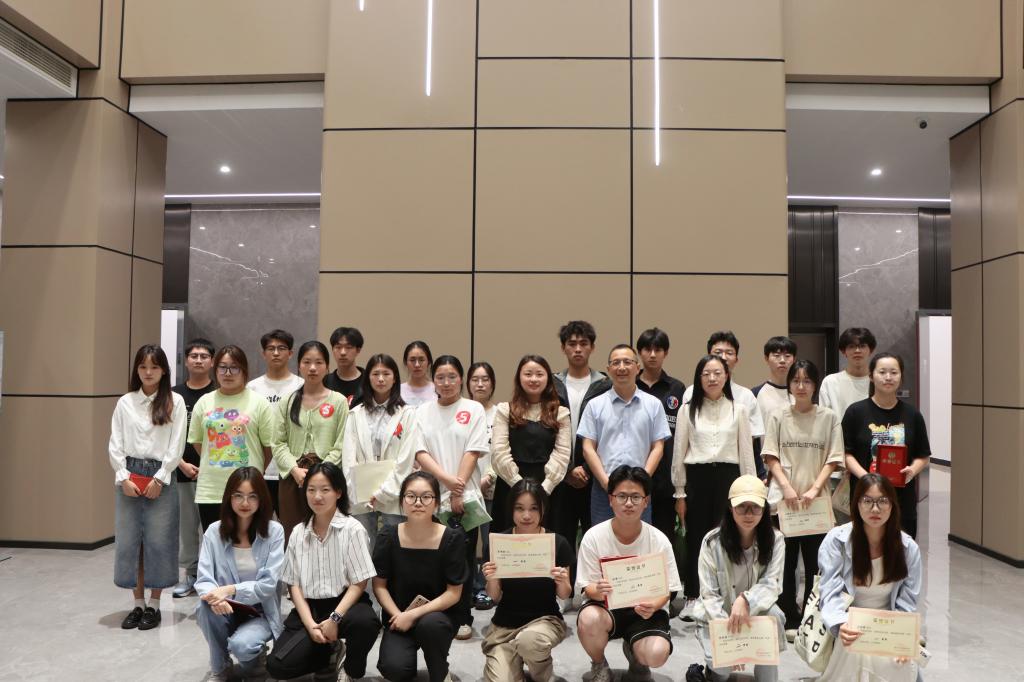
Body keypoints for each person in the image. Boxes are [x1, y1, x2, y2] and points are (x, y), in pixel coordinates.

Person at [267, 462, 381, 682]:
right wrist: (310, 625)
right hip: (311, 607)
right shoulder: (298, 532)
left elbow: (359, 582)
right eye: (311, 490)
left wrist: (335, 618)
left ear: (338, 492)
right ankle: (329, 651)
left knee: (366, 623)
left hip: (346, 605)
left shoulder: (353, 529)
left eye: (325, 490)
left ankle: (351, 670)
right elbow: (294, 585)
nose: (317, 496)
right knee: (277, 667)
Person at [761, 360, 845, 635]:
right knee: (785, 562)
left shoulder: (829, 418)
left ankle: (811, 615)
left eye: (806, 381)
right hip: (785, 504)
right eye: (795, 380)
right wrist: (786, 487)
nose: (800, 386)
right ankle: (788, 614)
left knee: (815, 564)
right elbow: (771, 456)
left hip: (815, 503)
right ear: (789, 385)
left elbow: (833, 459)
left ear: (815, 385)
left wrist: (814, 489)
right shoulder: (778, 416)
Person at [576, 467, 681, 682]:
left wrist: (654, 605)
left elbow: (669, 589)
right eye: (622, 496)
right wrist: (599, 590)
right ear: (610, 500)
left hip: (646, 611)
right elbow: (587, 587)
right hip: (606, 608)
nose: (629, 503)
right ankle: (599, 663)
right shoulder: (594, 537)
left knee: (657, 653)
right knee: (589, 620)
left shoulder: (659, 540)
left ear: (646, 501)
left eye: (636, 497)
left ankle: (637, 656)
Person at [673, 354, 757, 620]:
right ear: (699, 378)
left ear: (727, 376)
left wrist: (751, 490)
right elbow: (679, 452)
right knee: (697, 538)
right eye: (706, 374)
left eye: (717, 373)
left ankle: (726, 597)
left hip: (729, 478)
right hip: (697, 478)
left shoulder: (738, 410)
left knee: (727, 536)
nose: (712, 378)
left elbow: (746, 453)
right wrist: (679, 492)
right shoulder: (687, 410)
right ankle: (693, 596)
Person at [109, 345, 187, 631]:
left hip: (160, 474)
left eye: (154, 366)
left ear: (164, 370)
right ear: (136, 370)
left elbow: (176, 444)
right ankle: (138, 603)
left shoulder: (175, 401)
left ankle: (154, 605)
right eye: (143, 366)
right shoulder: (125, 402)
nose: (148, 372)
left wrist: (161, 477)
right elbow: (115, 442)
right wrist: (123, 476)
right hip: (129, 473)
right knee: (130, 541)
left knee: (159, 541)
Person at [412, 355, 491, 640]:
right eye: (440, 377)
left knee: (463, 558)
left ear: (461, 379)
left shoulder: (473, 409)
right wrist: (445, 482)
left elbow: (473, 450)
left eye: (452, 377)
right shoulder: (422, 412)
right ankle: (434, 614)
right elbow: (420, 451)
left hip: (464, 497)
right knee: (432, 558)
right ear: (433, 381)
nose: (446, 383)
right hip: (430, 497)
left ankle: (462, 617)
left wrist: (456, 490)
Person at [817, 473, 922, 681]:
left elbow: (908, 602)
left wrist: (902, 636)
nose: (875, 509)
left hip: (888, 627)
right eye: (867, 501)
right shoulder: (836, 541)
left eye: (883, 501)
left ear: (892, 506)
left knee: (898, 664)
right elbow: (829, 592)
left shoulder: (908, 548)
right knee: (854, 649)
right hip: (849, 622)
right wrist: (840, 623)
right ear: (856, 504)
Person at [686, 475, 786, 682]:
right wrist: (733, 644)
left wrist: (745, 600)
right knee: (722, 671)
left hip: (755, 611)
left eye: (755, 507)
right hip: (718, 616)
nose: (748, 514)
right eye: (741, 507)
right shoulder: (712, 542)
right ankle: (712, 672)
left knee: (774, 615)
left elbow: (772, 584)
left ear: (764, 509)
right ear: (730, 508)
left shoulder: (776, 540)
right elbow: (709, 595)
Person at [372, 472, 467, 682]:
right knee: (394, 669)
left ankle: (440, 671)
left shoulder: (452, 538)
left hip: (438, 616)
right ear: (402, 502)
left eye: (426, 497)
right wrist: (399, 615)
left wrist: (414, 615)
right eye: (411, 496)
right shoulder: (388, 536)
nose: (418, 502)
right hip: (399, 615)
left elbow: (453, 593)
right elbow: (379, 585)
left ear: (436, 503)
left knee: (431, 626)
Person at [195, 467, 285, 681]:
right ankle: (220, 667)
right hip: (224, 608)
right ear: (229, 497)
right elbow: (204, 578)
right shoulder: (214, 532)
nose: (245, 503)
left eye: (252, 496)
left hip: (260, 611)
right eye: (238, 496)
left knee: (243, 646)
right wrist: (215, 597)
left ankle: (254, 659)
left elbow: (267, 585)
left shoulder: (274, 532)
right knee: (205, 606)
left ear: (262, 499)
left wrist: (228, 590)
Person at [481, 480, 573, 682]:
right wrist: (491, 578)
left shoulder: (557, 543)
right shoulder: (499, 543)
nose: (526, 515)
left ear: (543, 509)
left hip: (545, 620)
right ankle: (515, 661)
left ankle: (542, 673)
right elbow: (494, 596)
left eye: (533, 508)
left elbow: (564, 594)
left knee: (529, 642)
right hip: (505, 625)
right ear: (511, 510)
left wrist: (562, 580)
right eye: (519, 508)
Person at [187, 345, 279, 530]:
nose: (228, 373)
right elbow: (198, 442)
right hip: (211, 489)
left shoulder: (259, 402)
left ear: (244, 370)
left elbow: (268, 446)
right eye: (222, 367)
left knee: (249, 542)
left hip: (248, 490)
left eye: (234, 368)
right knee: (215, 543)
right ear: (215, 369)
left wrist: (256, 469)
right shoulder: (204, 402)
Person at [578, 344, 671, 526]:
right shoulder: (594, 405)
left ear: (637, 367)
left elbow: (658, 447)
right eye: (616, 363)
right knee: (602, 539)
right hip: (603, 489)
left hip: (639, 491)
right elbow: (588, 448)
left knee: (639, 539)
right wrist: (608, 484)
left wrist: (642, 482)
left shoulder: (653, 404)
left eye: (627, 362)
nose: (621, 367)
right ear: (608, 369)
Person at [842, 353, 931, 538]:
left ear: (901, 377)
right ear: (871, 376)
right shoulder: (855, 412)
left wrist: (912, 471)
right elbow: (846, 453)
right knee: (863, 548)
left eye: (894, 372)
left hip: (902, 499)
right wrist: (866, 477)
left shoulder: (913, 415)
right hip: (865, 497)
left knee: (900, 549)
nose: (888, 377)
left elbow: (923, 455)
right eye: (882, 372)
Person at [551, 320, 608, 602]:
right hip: (559, 475)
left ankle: (590, 592)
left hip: (593, 475)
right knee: (560, 536)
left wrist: (585, 468)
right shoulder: (552, 384)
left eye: (583, 343)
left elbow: (608, 433)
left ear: (592, 348)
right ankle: (562, 594)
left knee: (594, 535)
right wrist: (565, 470)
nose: (577, 349)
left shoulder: (604, 384)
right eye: (572, 344)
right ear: (563, 348)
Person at [271, 341, 349, 543]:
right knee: (293, 534)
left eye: (319, 362)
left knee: (327, 533)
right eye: (307, 362)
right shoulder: (287, 401)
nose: (312, 368)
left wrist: (321, 473)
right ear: (299, 365)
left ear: (327, 367)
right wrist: (294, 470)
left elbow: (341, 444)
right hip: (293, 477)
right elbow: (278, 443)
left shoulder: (339, 401)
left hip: (328, 478)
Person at [341, 353, 420, 551]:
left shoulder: (407, 414)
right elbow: (348, 458)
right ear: (368, 378)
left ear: (395, 378)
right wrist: (356, 492)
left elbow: (406, 459)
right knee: (363, 551)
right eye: (375, 374)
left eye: (386, 373)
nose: (381, 379)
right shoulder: (355, 414)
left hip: (394, 494)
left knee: (395, 550)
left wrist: (385, 492)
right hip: (361, 498)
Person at [490, 354, 571, 533]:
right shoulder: (505, 410)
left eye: (539, 374)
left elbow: (562, 454)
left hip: (549, 488)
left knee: (548, 541)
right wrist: (521, 489)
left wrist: (542, 491)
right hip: (510, 485)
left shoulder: (561, 413)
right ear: (519, 378)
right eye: (528, 374)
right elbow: (498, 452)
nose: (534, 379)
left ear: (548, 379)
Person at [683, 331, 766, 478]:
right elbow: (685, 440)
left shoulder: (746, 396)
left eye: (729, 353)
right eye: (718, 352)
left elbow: (750, 443)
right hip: (698, 471)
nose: (723, 357)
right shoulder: (691, 393)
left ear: (736, 359)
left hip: (735, 471)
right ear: (708, 356)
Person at [172, 337, 216, 599]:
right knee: (187, 528)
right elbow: (165, 434)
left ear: (212, 361)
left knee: (215, 529)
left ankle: (214, 576)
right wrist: (181, 463)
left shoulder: (219, 393)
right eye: (194, 356)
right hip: (182, 472)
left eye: (204, 356)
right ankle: (190, 574)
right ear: (186, 361)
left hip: (216, 474)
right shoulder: (174, 394)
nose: (199, 360)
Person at [635, 327, 687, 544]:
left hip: (666, 478)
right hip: (635, 475)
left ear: (666, 353)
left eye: (658, 350)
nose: (652, 355)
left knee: (663, 538)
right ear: (639, 352)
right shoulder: (630, 385)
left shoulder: (677, 388)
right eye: (647, 349)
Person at [248, 329, 304, 516]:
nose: (276, 353)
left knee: (292, 525)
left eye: (281, 348)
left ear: (291, 353)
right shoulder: (252, 387)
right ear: (263, 353)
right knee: (257, 526)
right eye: (271, 349)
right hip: (260, 470)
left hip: (291, 470)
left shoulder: (301, 386)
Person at [467, 361, 499, 611]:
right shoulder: (463, 412)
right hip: (466, 488)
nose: (480, 384)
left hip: (492, 487)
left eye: (485, 379)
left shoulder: (500, 413)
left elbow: (501, 449)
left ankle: (488, 588)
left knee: (490, 543)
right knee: (467, 543)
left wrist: (489, 476)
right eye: (475, 379)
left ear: (492, 384)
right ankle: (470, 587)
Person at [819, 327, 877, 420]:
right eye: (851, 346)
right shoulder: (830, 382)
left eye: (862, 346)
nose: (857, 351)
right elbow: (824, 419)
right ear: (844, 351)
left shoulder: (878, 381)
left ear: (871, 350)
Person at [751, 336, 797, 425]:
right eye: (776, 355)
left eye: (787, 356)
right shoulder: (755, 394)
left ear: (794, 360)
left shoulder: (801, 392)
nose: (782, 360)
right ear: (766, 359)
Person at [324, 326, 365, 408]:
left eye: (348, 347)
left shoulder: (369, 381)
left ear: (358, 350)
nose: (343, 352)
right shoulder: (324, 382)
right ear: (332, 349)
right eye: (338, 347)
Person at [400, 340, 436, 407]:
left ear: (428, 362)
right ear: (405, 363)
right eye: (412, 360)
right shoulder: (398, 391)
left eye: (421, 360)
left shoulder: (437, 390)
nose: (417, 365)